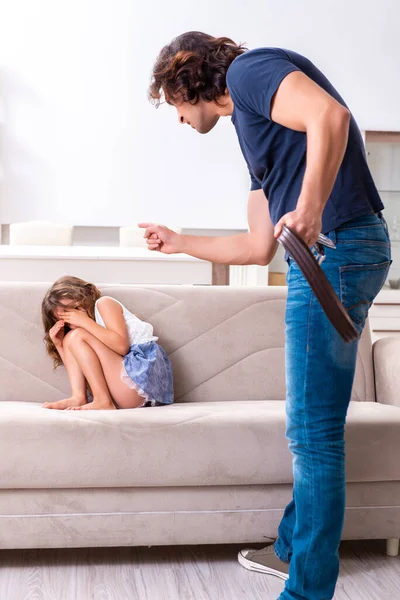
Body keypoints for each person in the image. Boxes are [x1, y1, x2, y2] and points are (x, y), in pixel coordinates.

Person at [141, 32, 392, 600]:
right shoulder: (253, 131)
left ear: (188, 82)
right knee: (316, 425)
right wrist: (181, 242)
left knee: (313, 434)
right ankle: (287, 547)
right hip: (341, 250)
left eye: (174, 105)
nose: (179, 119)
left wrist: (308, 211)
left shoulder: (249, 74)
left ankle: (305, 591)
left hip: (335, 249)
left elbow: (331, 116)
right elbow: (258, 247)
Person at [41, 275, 173, 410]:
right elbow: (80, 369)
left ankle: (102, 400)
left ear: (84, 297)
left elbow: (122, 347)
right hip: (122, 392)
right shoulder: (79, 334)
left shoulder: (104, 304)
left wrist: (85, 322)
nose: (72, 319)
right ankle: (79, 398)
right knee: (71, 337)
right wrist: (60, 345)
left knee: (77, 336)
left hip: (141, 384)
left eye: (71, 311)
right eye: (64, 319)